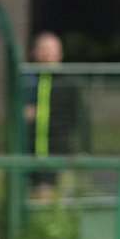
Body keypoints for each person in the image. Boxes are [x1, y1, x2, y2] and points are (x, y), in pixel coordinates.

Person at [22, 32, 90, 199]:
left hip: (57, 153)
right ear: (34, 53)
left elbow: (82, 120)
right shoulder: (26, 80)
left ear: (60, 54)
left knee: (51, 196)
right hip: (28, 152)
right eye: (44, 49)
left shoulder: (68, 83)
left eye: (53, 50)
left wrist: (84, 150)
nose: (48, 55)